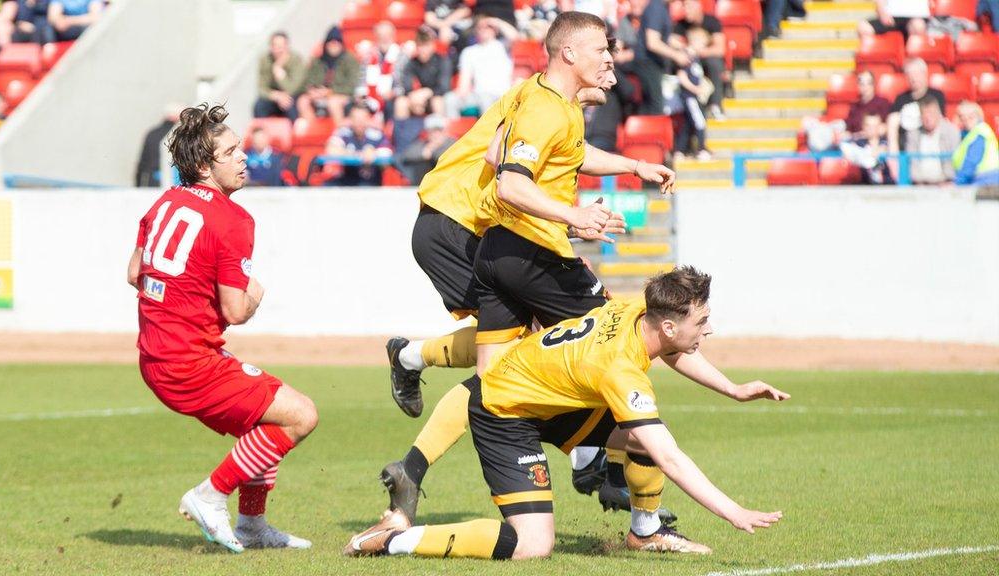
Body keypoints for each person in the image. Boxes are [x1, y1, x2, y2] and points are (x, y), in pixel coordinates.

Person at [381, 55, 676, 525]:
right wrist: (572, 217)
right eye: (606, 61)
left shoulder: (559, 105)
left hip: (470, 227)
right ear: (574, 57)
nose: (614, 77)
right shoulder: (540, 102)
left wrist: (632, 168)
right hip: (459, 221)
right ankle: (593, 463)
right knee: (515, 362)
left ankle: (412, 365)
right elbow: (498, 160)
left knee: (530, 350)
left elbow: (570, 156)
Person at [348, 267, 787, 560]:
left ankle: (645, 531)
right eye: (702, 321)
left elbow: (673, 348)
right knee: (533, 545)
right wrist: (734, 511)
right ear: (669, 324)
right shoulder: (620, 370)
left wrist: (732, 388)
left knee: (640, 437)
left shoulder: (640, 310)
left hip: (552, 400)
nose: (708, 329)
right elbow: (671, 458)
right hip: (503, 411)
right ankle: (394, 541)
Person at [127, 104, 317, 553]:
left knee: (266, 419)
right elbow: (235, 310)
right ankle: (210, 495)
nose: (243, 158)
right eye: (230, 152)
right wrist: (256, 293)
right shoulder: (234, 220)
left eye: (240, 149)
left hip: (157, 355)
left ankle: (252, 524)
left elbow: (135, 272)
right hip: (188, 364)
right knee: (301, 416)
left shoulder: (164, 202)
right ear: (202, 166)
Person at [444, 15, 516, 118]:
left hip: (501, 94)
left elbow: (514, 36)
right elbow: (464, 81)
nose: (483, 29)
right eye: (480, 27)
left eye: (488, 27)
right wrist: (461, 92)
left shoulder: (503, 46)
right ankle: (453, 132)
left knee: (485, 99)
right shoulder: (469, 52)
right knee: (450, 99)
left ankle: (488, 133)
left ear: (494, 29)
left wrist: (497, 21)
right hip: (478, 94)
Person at [886, 58, 946, 172]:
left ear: (925, 74)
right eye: (909, 75)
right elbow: (892, 123)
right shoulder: (901, 99)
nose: (913, 78)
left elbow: (940, 121)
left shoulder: (936, 96)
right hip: (905, 145)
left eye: (916, 74)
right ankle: (895, 166)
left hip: (929, 142)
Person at [671, 0, 726, 118]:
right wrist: (686, 48)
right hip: (689, 60)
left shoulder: (712, 22)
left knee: (714, 63)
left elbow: (720, 49)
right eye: (684, 7)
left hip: (705, 58)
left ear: (698, 7)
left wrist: (697, 52)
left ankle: (715, 105)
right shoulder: (681, 24)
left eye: (689, 6)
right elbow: (671, 41)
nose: (686, 10)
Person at [296, 26, 360, 125]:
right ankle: (313, 129)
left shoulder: (350, 60)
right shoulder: (318, 61)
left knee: (333, 102)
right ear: (326, 44)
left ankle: (340, 133)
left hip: (341, 95)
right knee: (302, 101)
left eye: (337, 42)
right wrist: (312, 90)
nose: (334, 45)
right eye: (331, 42)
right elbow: (307, 81)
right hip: (320, 93)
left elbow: (351, 86)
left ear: (341, 44)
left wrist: (330, 92)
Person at [636, 0, 689, 114]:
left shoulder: (664, 7)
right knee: (655, 106)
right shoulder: (656, 7)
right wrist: (676, 55)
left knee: (651, 104)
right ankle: (652, 131)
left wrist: (684, 48)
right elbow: (653, 43)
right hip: (647, 63)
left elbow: (664, 37)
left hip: (653, 63)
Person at [324, 98, 393, 186]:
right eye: (356, 118)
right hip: (347, 179)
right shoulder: (344, 132)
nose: (359, 122)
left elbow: (387, 154)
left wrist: (374, 153)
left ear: (369, 119)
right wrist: (355, 154)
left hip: (369, 181)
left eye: (363, 118)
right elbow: (331, 150)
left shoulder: (377, 135)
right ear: (350, 119)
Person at [671, 26, 713, 160]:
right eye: (702, 44)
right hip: (689, 97)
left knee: (688, 125)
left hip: (694, 97)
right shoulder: (687, 57)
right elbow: (682, 76)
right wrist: (695, 89)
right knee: (700, 122)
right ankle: (701, 149)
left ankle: (679, 150)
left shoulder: (696, 59)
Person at [903, 96, 960, 184]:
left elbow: (953, 161)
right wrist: (919, 183)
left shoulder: (951, 132)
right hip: (920, 184)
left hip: (946, 183)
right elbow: (912, 162)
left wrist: (947, 180)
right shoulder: (913, 135)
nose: (928, 118)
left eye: (931, 113)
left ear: (938, 113)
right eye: (924, 114)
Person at [253, 31, 306, 121]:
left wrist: (279, 71)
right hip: (274, 97)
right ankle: (261, 133)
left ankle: (294, 131)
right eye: (275, 46)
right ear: (271, 47)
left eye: (281, 46)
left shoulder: (296, 59)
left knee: (289, 104)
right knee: (259, 105)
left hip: (293, 96)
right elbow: (261, 88)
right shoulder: (265, 60)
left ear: (287, 46)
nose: (279, 50)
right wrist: (276, 95)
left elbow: (292, 89)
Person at [396, 114, 456, 184]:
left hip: (448, 183)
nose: (435, 134)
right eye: (432, 131)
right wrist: (424, 152)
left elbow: (443, 158)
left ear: (445, 131)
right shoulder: (423, 144)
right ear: (427, 132)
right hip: (424, 184)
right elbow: (405, 156)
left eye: (439, 130)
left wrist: (431, 150)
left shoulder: (453, 143)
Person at [134, 103, 181, 187]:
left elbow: (142, 164)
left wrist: (138, 185)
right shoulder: (180, 135)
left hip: (152, 183)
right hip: (173, 184)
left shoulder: (152, 133)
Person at [953, 100, 999, 186]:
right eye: (961, 117)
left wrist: (957, 183)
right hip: (980, 181)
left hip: (987, 182)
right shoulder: (967, 135)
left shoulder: (979, 133)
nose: (966, 120)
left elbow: (971, 162)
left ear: (978, 116)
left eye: (970, 116)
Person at [857, 0, 929, 40]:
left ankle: (914, 63)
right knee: (863, 27)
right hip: (890, 17)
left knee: (918, 26)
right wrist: (881, 9)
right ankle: (873, 62)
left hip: (916, 17)